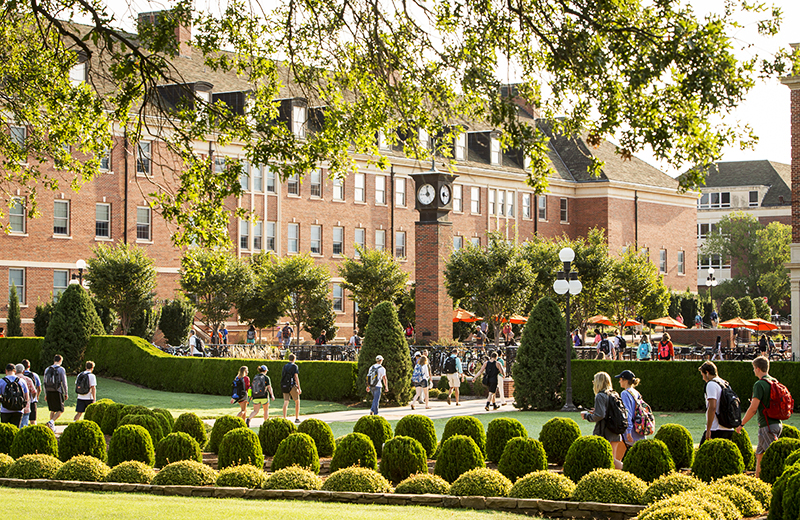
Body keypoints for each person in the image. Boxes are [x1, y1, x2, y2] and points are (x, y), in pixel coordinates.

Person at [736, 356, 784, 478]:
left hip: (766, 426)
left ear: (757, 368)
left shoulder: (759, 384)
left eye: (753, 368)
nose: (753, 371)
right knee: (760, 455)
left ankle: (779, 480)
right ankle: (758, 480)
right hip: (777, 423)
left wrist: (741, 424)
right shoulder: (774, 381)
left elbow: (753, 409)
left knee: (773, 457)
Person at [582, 371, 624, 469]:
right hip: (615, 429)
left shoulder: (600, 396)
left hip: (604, 431)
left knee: (608, 459)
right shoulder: (614, 394)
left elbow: (600, 416)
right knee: (613, 459)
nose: (593, 383)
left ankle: (629, 470)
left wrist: (587, 416)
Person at [697, 361, 733, 445]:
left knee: (702, 454)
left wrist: (708, 429)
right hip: (728, 426)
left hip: (716, 427)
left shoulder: (711, 384)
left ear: (707, 373)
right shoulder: (725, 384)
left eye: (703, 375)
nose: (703, 378)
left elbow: (712, 407)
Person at [616, 369, 646, 447]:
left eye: (620, 379)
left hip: (632, 432)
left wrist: (628, 431)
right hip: (639, 428)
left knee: (617, 457)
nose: (619, 381)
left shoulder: (625, 393)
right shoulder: (636, 392)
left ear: (625, 381)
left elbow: (627, 412)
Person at [44, 354, 68, 432]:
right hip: (58, 391)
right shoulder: (61, 369)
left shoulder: (47, 369)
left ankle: (52, 427)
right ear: (60, 361)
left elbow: (44, 382)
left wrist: (45, 394)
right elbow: (64, 382)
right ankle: (51, 422)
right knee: (61, 410)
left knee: (52, 409)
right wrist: (66, 393)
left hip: (49, 391)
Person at [0, 363, 28, 428]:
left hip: (5, 409)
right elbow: (26, 396)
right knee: (16, 429)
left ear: (6, 371)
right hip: (18, 409)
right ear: (15, 371)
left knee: (5, 430)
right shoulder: (22, 381)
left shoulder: (1, 381)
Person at [281, 354, 302, 423]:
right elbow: (296, 377)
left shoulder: (285, 366)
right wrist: (299, 387)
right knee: (297, 401)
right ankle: (297, 417)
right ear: (294, 359)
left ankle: (284, 418)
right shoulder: (294, 366)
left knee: (286, 401)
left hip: (285, 385)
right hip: (292, 385)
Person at [20, 359, 41, 425]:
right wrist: (36, 397)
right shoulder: (34, 375)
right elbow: (39, 388)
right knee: (33, 420)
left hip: (21, 400)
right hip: (32, 400)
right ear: (29, 366)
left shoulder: (18, 376)